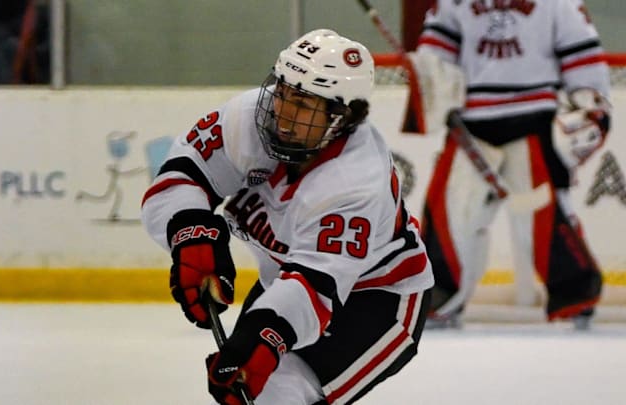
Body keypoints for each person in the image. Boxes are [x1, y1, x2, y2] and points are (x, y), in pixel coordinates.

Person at [140, 29, 434, 404]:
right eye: (282, 92)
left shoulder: (356, 180)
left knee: (278, 394)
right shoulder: (249, 119)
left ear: (342, 117)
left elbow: (315, 286)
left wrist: (265, 332)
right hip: (291, 278)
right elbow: (179, 176)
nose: (282, 113)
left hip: (376, 300)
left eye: (302, 104)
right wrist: (190, 234)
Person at [413, 0, 611, 329]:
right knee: (450, 211)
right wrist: (430, 73)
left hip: (534, 121)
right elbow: (437, 50)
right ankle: (439, 297)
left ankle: (575, 294)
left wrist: (592, 103)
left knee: (543, 213)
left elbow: (582, 55)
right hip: (471, 123)